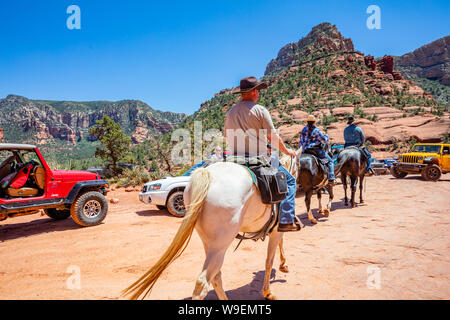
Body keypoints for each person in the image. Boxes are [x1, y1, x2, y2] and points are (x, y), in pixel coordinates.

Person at [224, 76, 300, 232]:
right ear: (253, 92)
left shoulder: (230, 113)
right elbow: (273, 137)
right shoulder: (260, 110)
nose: (259, 93)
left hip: (234, 160)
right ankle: (286, 219)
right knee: (290, 181)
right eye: (257, 90)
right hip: (257, 159)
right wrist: (287, 151)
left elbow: (227, 136)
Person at [298, 115, 336, 185]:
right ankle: (331, 178)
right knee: (330, 162)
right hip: (315, 150)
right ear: (314, 122)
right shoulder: (316, 130)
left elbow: (301, 141)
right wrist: (326, 136)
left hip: (304, 150)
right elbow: (324, 141)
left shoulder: (303, 129)